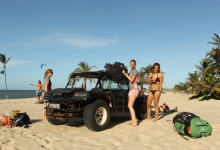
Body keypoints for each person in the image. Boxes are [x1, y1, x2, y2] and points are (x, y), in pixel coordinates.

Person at [122, 59, 139, 126]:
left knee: (130, 105)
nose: (132, 65)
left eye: (133, 64)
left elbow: (131, 80)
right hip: (131, 90)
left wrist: (125, 74)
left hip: (134, 89)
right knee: (130, 105)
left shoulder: (134, 71)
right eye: (131, 64)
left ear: (135, 64)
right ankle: (133, 120)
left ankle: (134, 121)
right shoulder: (131, 71)